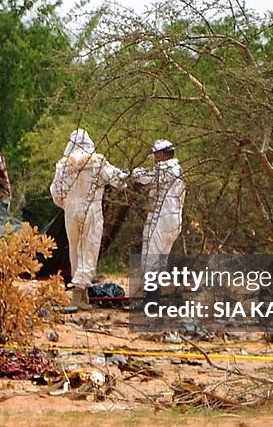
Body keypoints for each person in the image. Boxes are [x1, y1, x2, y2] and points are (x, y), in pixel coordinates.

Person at [49, 128, 127, 309]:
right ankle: (79, 293)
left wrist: (67, 205)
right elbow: (118, 181)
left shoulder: (63, 165)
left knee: (75, 250)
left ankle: (81, 296)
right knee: (89, 250)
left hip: (70, 211)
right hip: (91, 208)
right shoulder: (97, 162)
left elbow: (55, 192)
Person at [131, 139, 186, 278]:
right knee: (162, 257)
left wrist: (130, 173)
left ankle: (152, 295)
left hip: (162, 217)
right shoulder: (179, 170)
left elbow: (145, 177)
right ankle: (157, 292)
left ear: (162, 154)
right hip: (175, 219)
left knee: (151, 255)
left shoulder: (164, 169)